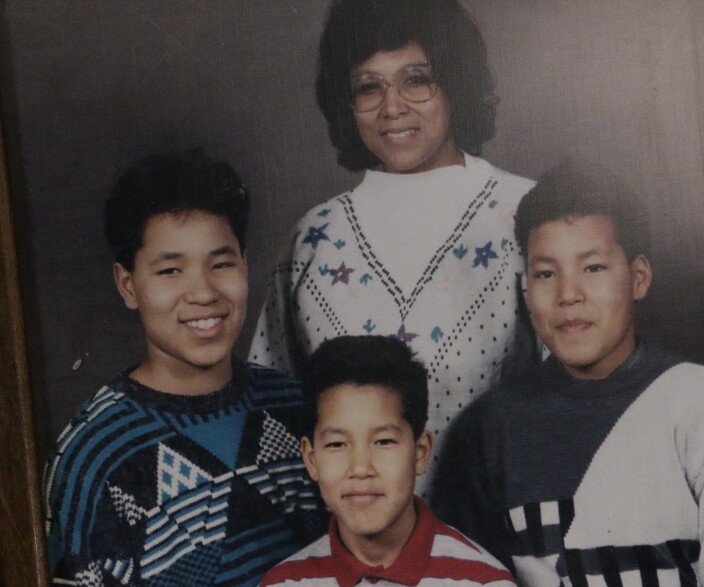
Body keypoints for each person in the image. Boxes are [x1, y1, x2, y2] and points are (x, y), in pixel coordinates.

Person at [432, 163, 704, 586]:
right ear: (525, 288)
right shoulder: (489, 428)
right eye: (546, 273)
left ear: (638, 278)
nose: (568, 295)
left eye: (593, 268)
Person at [249, 0, 536, 492]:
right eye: (368, 86)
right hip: (347, 554)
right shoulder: (312, 238)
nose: (393, 106)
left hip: (500, 545)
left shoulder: (525, 215)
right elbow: (269, 413)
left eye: (416, 79)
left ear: (454, 81)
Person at [43, 152, 327, 586]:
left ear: (245, 265)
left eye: (221, 263)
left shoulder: (299, 409)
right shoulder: (95, 456)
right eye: (171, 270)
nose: (203, 293)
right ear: (128, 285)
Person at [260, 335, 516, 587]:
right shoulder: (283, 583)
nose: (360, 468)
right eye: (337, 444)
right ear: (311, 460)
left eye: (383, 441)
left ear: (420, 452)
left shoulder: (483, 581)